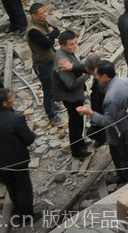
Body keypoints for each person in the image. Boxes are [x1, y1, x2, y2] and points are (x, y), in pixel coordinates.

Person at [78, 61, 128, 184]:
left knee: (118, 153)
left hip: (120, 132)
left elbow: (108, 121)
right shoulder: (127, 81)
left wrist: (90, 113)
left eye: (97, 76)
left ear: (105, 77)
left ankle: (124, 177)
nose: (95, 78)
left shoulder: (111, 97)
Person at [0, 89, 36, 222]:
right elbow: (29, 139)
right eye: (11, 98)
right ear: (5, 103)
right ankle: (26, 216)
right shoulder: (16, 119)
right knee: (23, 188)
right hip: (17, 161)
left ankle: (18, 210)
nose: (13, 99)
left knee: (11, 187)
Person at [53, 30, 93, 159]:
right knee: (75, 122)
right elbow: (70, 84)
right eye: (71, 44)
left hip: (74, 94)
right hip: (70, 96)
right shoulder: (62, 61)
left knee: (79, 121)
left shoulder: (66, 52)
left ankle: (79, 141)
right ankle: (76, 151)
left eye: (76, 43)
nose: (75, 47)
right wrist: (87, 73)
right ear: (62, 46)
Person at [25, 2, 64, 126]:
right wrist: (50, 36)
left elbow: (56, 31)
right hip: (42, 63)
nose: (45, 14)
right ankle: (51, 116)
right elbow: (47, 43)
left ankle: (53, 104)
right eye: (42, 13)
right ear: (34, 15)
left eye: (45, 11)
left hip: (49, 60)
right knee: (48, 90)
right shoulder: (33, 30)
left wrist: (49, 36)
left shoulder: (42, 23)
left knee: (52, 86)